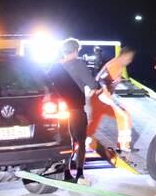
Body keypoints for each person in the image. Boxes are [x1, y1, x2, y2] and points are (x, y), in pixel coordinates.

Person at [45, 39, 98, 185]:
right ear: (76, 50)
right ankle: (79, 174)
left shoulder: (55, 66)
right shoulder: (78, 64)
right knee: (80, 142)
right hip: (76, 109)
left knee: (66, 142)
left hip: (59, 112)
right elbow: (92, 83)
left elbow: (46, 83)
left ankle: (66, 173)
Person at [86, 46, 136, 158]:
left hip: (98, 98)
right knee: (124, 116)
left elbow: (107, 80)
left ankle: (81, 142)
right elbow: (102, 81)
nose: (130, 60)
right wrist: (111, 100)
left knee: (94, 122)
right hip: (100, 97)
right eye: (129, 57)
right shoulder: (116, 65)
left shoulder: (117, 64)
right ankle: (123, 146)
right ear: (123, 55)